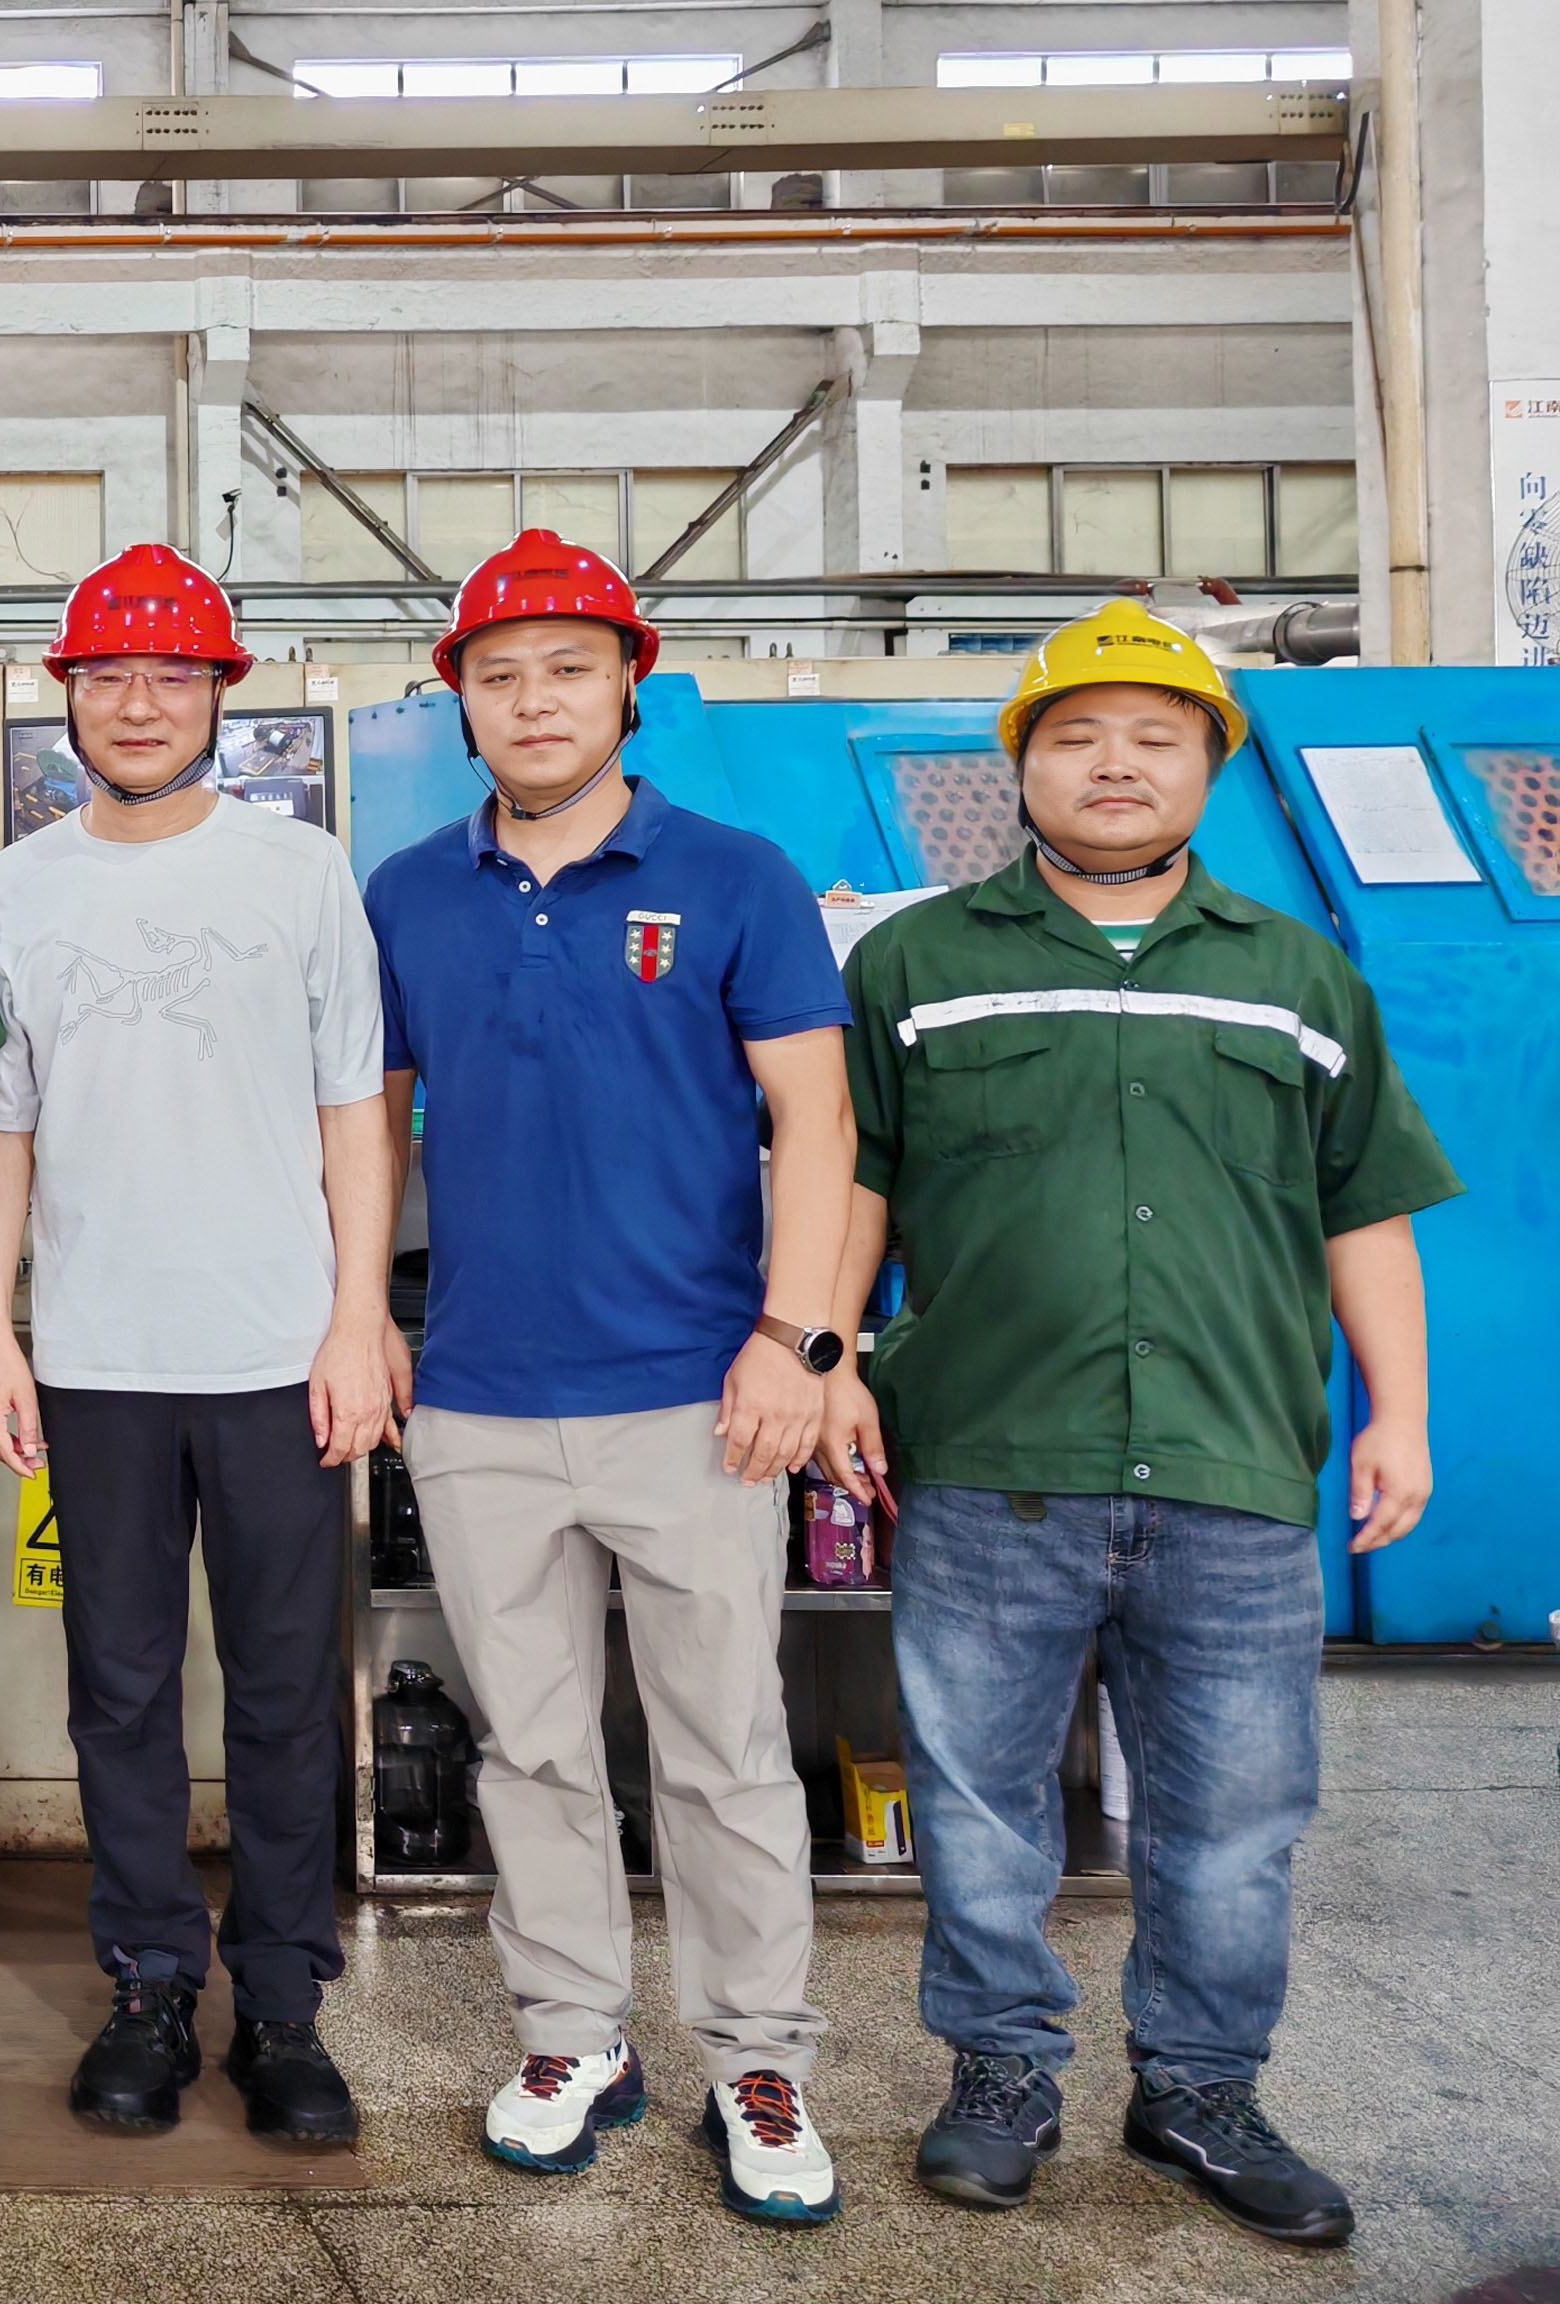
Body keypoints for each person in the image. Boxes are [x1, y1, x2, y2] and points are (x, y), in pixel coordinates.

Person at [827, 602, 1457, 2247]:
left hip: (1232, 1462)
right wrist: (827, 1356)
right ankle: (1000, 2076)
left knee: (1235, 1818)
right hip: (991, 1464)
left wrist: (1401, 1411)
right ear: (1021, 765)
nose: (1116, 764)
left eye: (1156, 737)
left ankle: (1200, 2090)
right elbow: (856, 1182)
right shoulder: (915, 965)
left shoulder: (1297, 974)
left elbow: (1364, 1206)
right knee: (980, 1803)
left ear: (1210, 768)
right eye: (1078, 736)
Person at [364, 530, 855, 2225]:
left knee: (725, 1746)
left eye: (569, 668)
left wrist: (797, 1339)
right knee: (533, 1748)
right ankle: (573, 2035)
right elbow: (368, 1132)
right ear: (461, 705)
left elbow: (817, 1123)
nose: (534, 701)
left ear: (629, 685)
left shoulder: (736, 877)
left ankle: (757, 2059)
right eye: (499, 675)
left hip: (696, 1399)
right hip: (481, 1402)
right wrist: (361, 1314)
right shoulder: (407, 894)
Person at [0, 544, 394, 2148]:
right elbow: (5, 1131)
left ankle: (282, 2004)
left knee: (285, 1695)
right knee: (121, 1691)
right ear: (66, 696)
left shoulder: (302, 872)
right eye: (108, 676)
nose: (137, 703)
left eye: (171, 675)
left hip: (280, 1355)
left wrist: (356, 1319)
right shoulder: (13, 891)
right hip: (97, 1363)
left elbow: (356, 1111)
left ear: (222, 696)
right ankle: (149, 1983)